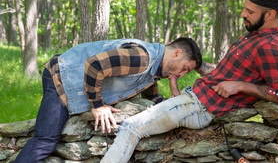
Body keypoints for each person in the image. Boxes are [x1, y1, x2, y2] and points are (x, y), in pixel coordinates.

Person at [101, 0, 278, 162]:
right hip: (193, 99)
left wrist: (241, 86)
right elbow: (222, 74)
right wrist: (195, 65)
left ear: (270, 15)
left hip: (199, 107)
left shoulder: (269, 47)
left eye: (250, 11)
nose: (243, 14)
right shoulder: (253, 35)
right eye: (245, 7)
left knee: (131, 127)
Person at [15, 37, 202, 162]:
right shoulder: (142, 57)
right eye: (185, 68)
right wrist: (98, 105)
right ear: (176, 53)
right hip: (61, 76)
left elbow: (151, 94)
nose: (183, 74)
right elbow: (95, 64)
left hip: (72, 79)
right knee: (46, 139)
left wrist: (174, 104)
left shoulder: (152, 69)